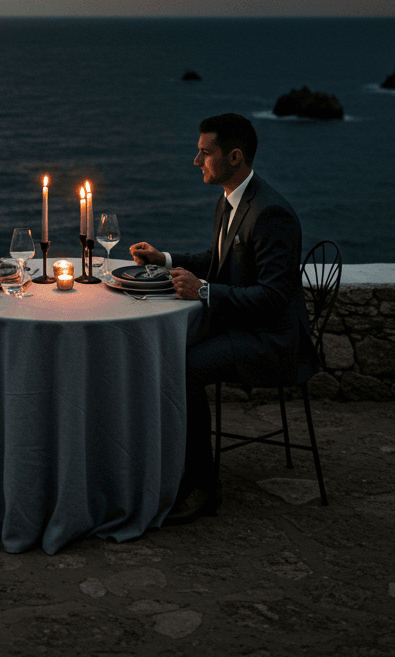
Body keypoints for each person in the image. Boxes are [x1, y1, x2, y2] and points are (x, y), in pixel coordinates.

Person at [130, 112, 316, 525]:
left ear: (235, 156)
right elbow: (217, 261)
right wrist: (165, 259)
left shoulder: (271, 214)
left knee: (186, 365)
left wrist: (205, 291)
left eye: (204, 153)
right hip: (243, 327)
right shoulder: (232, 198)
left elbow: (272, 298)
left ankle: (202, 487)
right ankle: (174, 465)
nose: (196, 162)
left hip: (272, 340)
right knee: (167, 351)